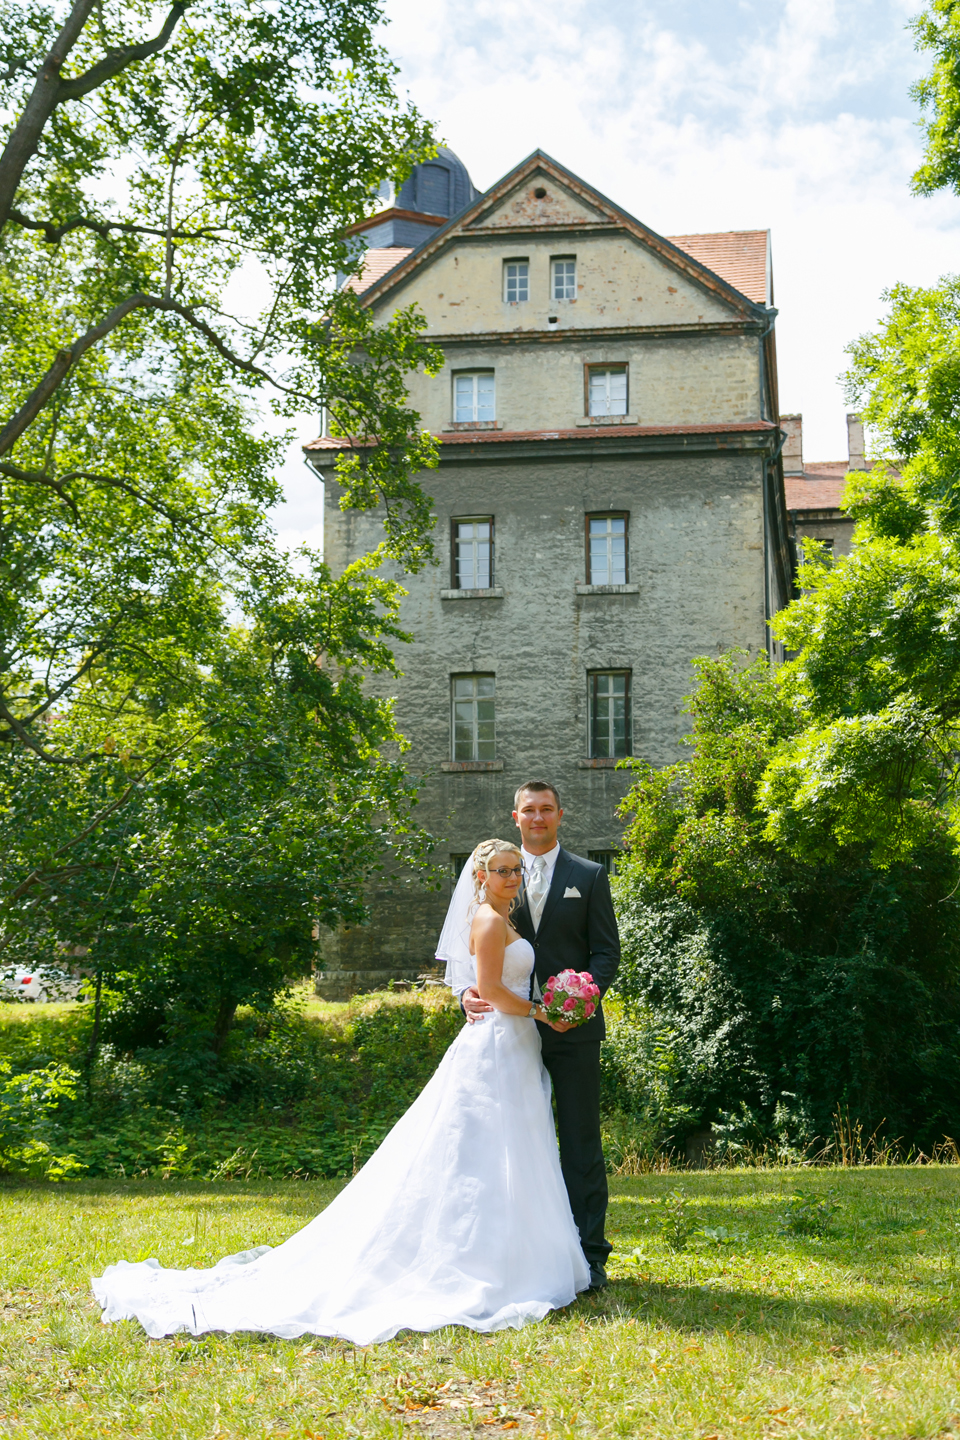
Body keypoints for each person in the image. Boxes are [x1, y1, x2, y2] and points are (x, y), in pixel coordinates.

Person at [91, 840, 590, 1345]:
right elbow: (491, 990)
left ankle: (512, 1255)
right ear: (480, 876)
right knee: (480, 1151)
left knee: (516, 1149)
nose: (510, 877)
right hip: (496, 1045)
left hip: (516, 1046)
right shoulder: (487, 920)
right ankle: (477, 1262)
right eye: (501, 871)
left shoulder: (505, 919)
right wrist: (542, 1012)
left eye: (515, 870)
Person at [458, 782, 621, 1291]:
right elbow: (473, 955)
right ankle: (508, 1256)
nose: (537, 817)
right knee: (507, 1144)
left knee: (579, 1144)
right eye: (528, 810)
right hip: (510, 1033)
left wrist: (580, 998)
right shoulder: (494, 877)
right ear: (515, 817)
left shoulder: (589, 876)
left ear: (559, 814)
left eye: (546, 809)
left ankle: (588, 1257)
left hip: (572, 1030)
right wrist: (466, 993)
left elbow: (605, 953)